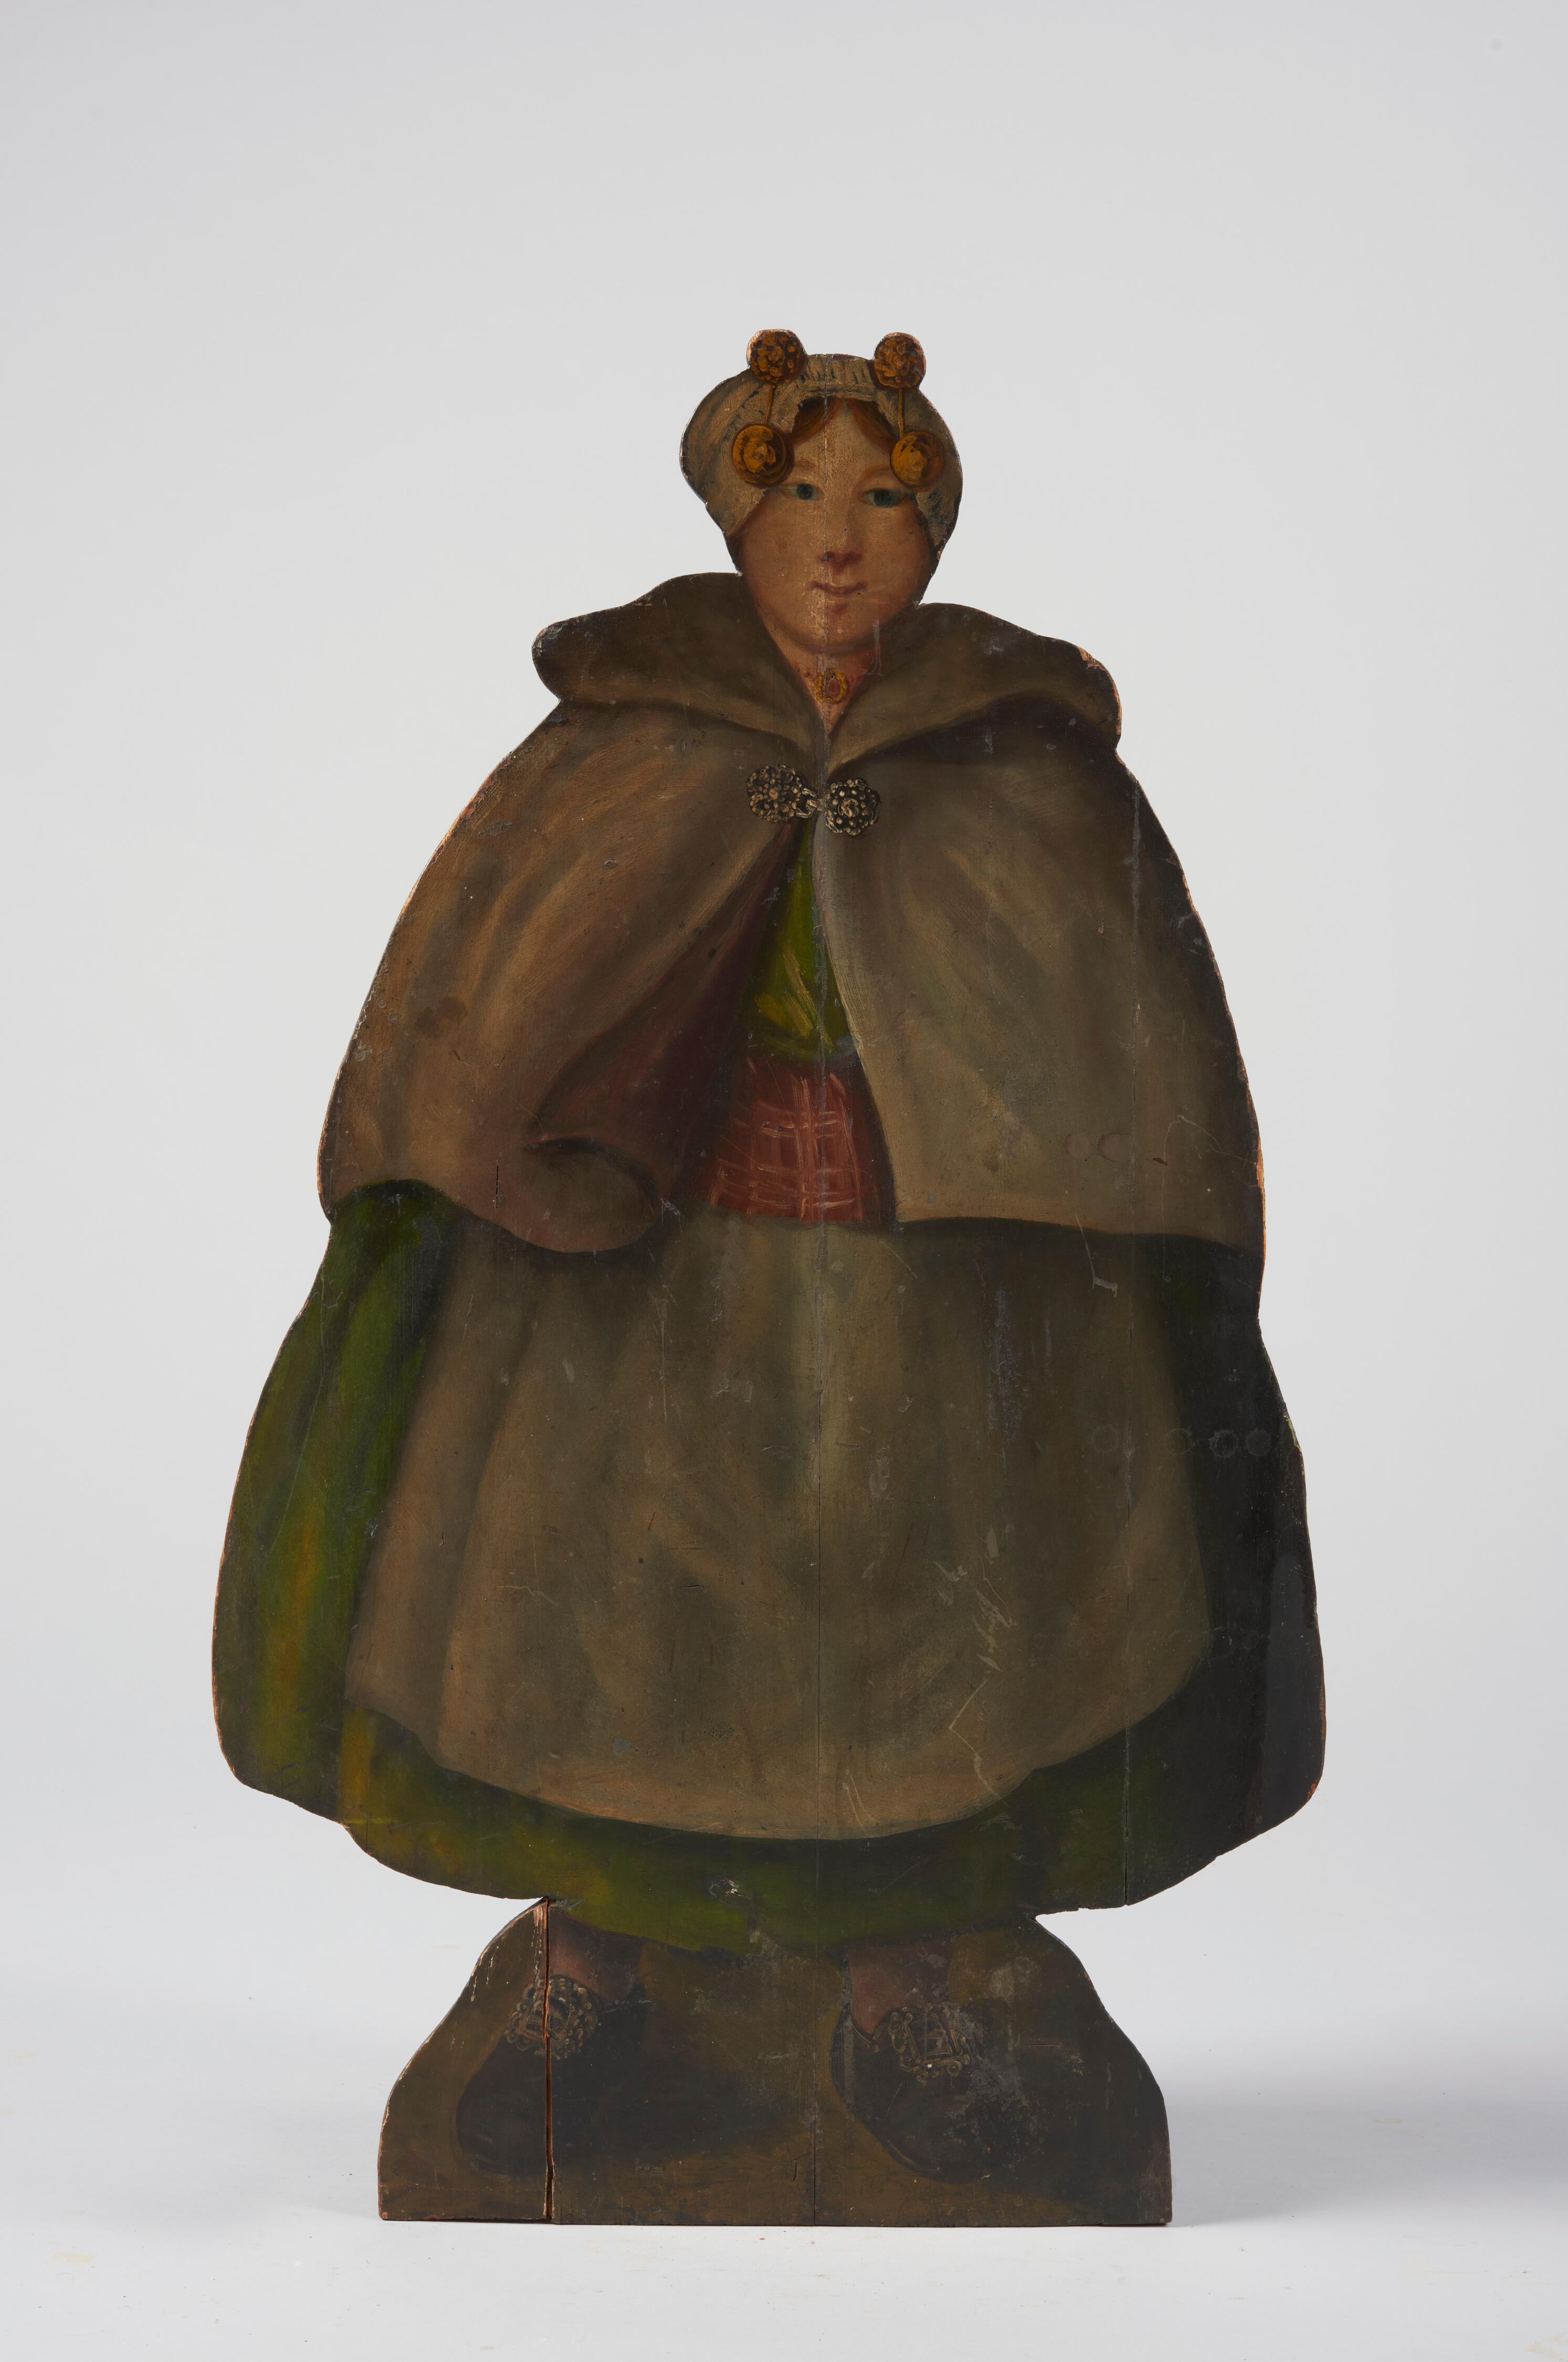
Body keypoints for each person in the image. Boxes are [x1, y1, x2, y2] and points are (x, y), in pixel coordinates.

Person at [215, 336, 1323, 2187]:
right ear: (735, 517)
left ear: (932, 528)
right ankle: (593, 1975)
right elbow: (478, 1003)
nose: (838, 540)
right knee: (604, 1623)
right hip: (635, 1284)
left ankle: (906, 1993)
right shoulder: (616, 744)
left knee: (923, 1644)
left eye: (883, 499)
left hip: (927, 1297)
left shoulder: (1024, 762)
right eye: (799, 495)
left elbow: (1129, 1061)